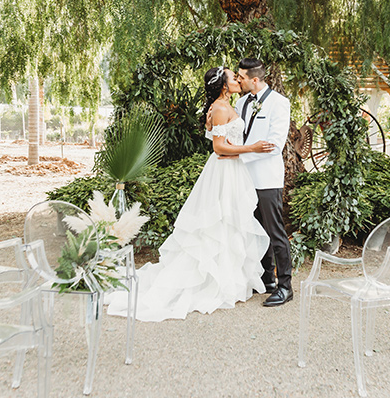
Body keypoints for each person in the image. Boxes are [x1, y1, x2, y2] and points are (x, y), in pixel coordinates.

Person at [106, 66, 273, 322]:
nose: (238, 81)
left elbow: (222, 138)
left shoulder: (229, 106)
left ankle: (229, 279)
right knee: (218, 224)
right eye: (233, 77)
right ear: (223, 85)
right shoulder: (219, 108)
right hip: (223, 172)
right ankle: (212, 282)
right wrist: (254, 148)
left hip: (234, 171)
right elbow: (218, 148)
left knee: (231, 224)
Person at [235, 57, 294, 307]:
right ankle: (267, 278)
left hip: (268, 178)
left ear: (255, 80)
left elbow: (274, 146)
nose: (238, 81)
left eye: (242, 77)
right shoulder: (240, 103)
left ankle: (286, 287)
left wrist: (239, 153)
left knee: (275, 232)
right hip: (244, 179)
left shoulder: (280, 104)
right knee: (255, 230)